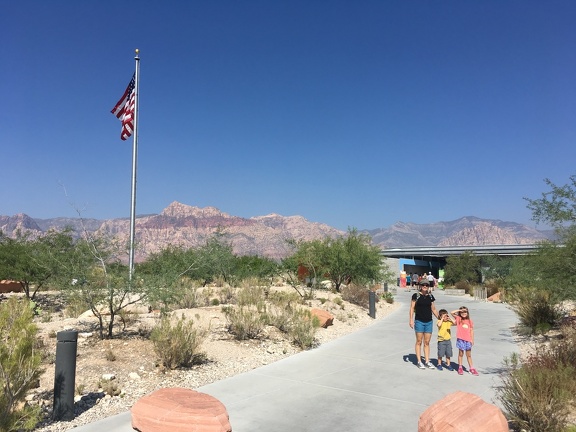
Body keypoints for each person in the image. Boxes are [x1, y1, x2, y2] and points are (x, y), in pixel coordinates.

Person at [409, 284, 438, 369]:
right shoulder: (416, 296)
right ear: (420, 286)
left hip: (429, 321)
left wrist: (440, 318)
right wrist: (411, 320)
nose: (425, 286)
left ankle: (427, 361)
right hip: (419, 321)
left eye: (426, 285)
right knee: (419, 341)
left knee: (427, 342)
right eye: (423, 285)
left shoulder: (430, 296)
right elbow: (412, 308)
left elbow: (434, 309)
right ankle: (419, 361)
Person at [450, 306, 478, 376]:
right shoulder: (458, 319)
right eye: (462, 312)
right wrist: (459, 310)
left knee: (468, 355)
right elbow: (451, 313)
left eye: (465, 312)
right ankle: (460, 367)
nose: (463, 313)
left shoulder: (470, 321)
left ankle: (471, 368)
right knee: (461, 354)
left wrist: (472, 340)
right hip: (461, 339)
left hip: (468, 340)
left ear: (467, 312)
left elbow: (471, 331)